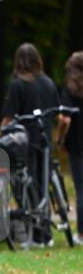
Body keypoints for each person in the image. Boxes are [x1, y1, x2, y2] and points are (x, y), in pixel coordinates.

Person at [0, 43, 61, 246]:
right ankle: (46, 233)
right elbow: (57, 115)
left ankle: (32, 231)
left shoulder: (18, 84)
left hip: (24, 143)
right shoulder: (49, 83)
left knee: (25, 186)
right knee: (43, 185)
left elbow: (9, 116)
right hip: (44, 140)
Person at [57, 51, 83, 245]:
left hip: (78, 143)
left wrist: (60, 138)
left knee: (81, 189)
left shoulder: (70, 91)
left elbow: (65, 118)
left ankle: (81, 234)